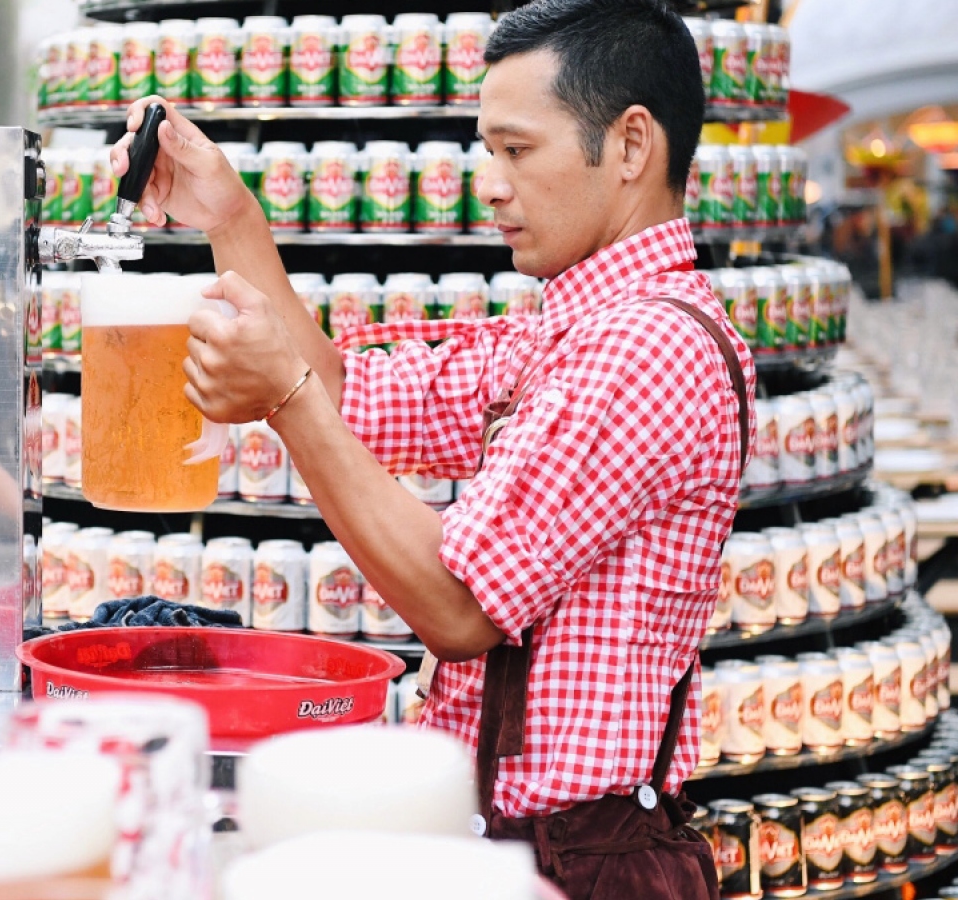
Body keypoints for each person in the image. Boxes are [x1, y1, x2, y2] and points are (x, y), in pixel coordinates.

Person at [110, 0, 752, 896]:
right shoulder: (570, 329)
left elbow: (457, 606)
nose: (489, 183)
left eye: (516, 150)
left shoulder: (645, 349)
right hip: (523, 842)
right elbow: (346, 390)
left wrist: (285, 401)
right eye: (489, 151)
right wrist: (229, 212)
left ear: (633, 146)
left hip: (578, 861)